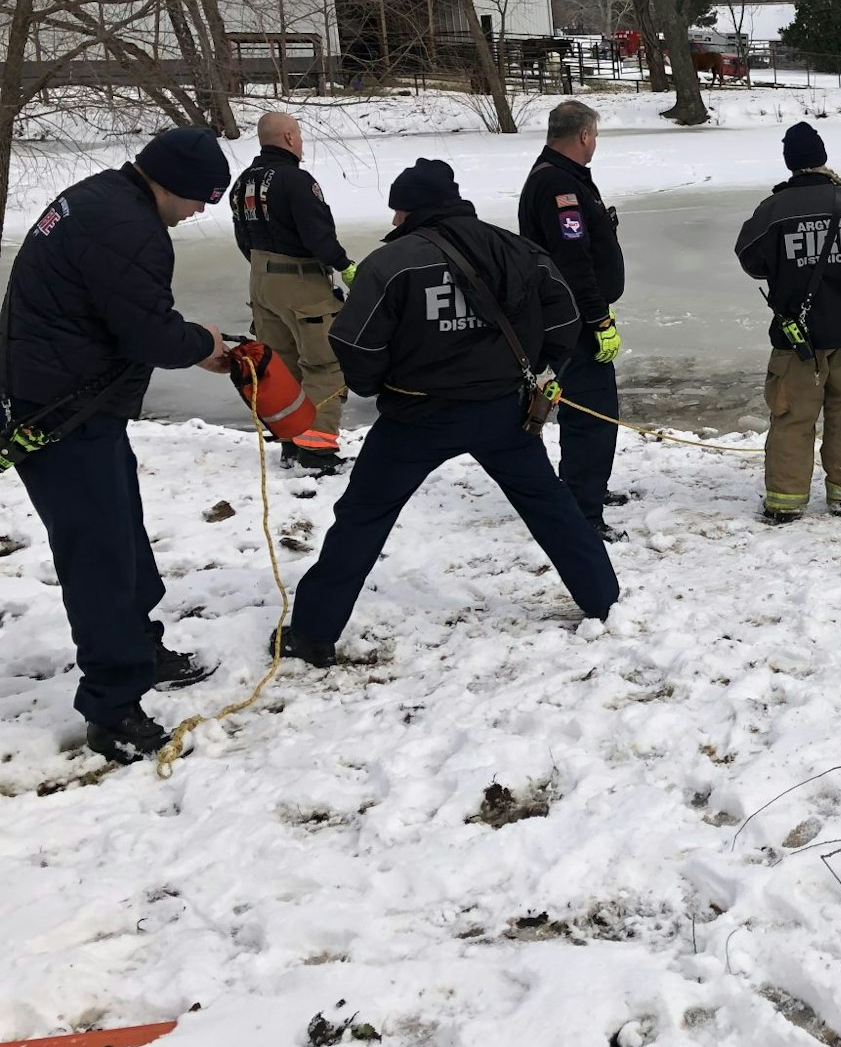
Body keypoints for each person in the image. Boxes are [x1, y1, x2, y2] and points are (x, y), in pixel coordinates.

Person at [276, 159, 617, 666]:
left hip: (416, 418)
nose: (393, 221)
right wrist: (533, 367)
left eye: (398, 210)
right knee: (550, 505)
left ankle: (312, 632)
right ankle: (603, 598)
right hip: (504, 411)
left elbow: (353, 341)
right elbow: (565, 318)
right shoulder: (518, 249)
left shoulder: (390, 264)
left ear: (412, 208)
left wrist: (378, 387)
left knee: (363, 517)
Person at [2, 128, 234, 762]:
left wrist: (189, 345)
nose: (200, 212)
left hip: (75, 403)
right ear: (169, 183)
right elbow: (147, 333)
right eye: (198, 199)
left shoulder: (102, 198)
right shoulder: (128, 228)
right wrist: (201, 343)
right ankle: (112, 708)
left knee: (123, 535)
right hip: (62, 415)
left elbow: (119, 314)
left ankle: (141, 647)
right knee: (100, 557)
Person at [734, 122, 841, 523]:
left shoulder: (773, 209)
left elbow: (750, 258)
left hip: (798, 339)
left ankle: (785, 501)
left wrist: (788, 263)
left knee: (793, 416)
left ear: (790, 162)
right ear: (822, 158)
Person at [518, 100, 625, 539]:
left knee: (589, 410)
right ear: (583, 136)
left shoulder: (563, 177)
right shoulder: (560, 185)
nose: (595, 144)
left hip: (570, 314)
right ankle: (583, 510)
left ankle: (588, 488)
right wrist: (598, 318)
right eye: (594, 136)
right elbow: (572, 258)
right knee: (594, 413)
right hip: (574, 321)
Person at [229, 110, 356, 473]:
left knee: (281, 365)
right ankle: (315, 451)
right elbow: (318, 235)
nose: (300, 143)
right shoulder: (296, 181)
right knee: (325, 362)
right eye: (298, 136)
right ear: (288, 138)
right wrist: (344, 265)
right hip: (301, 280)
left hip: (261, 280)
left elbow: (242, 236)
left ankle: (290, 443)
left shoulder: (243, 184)